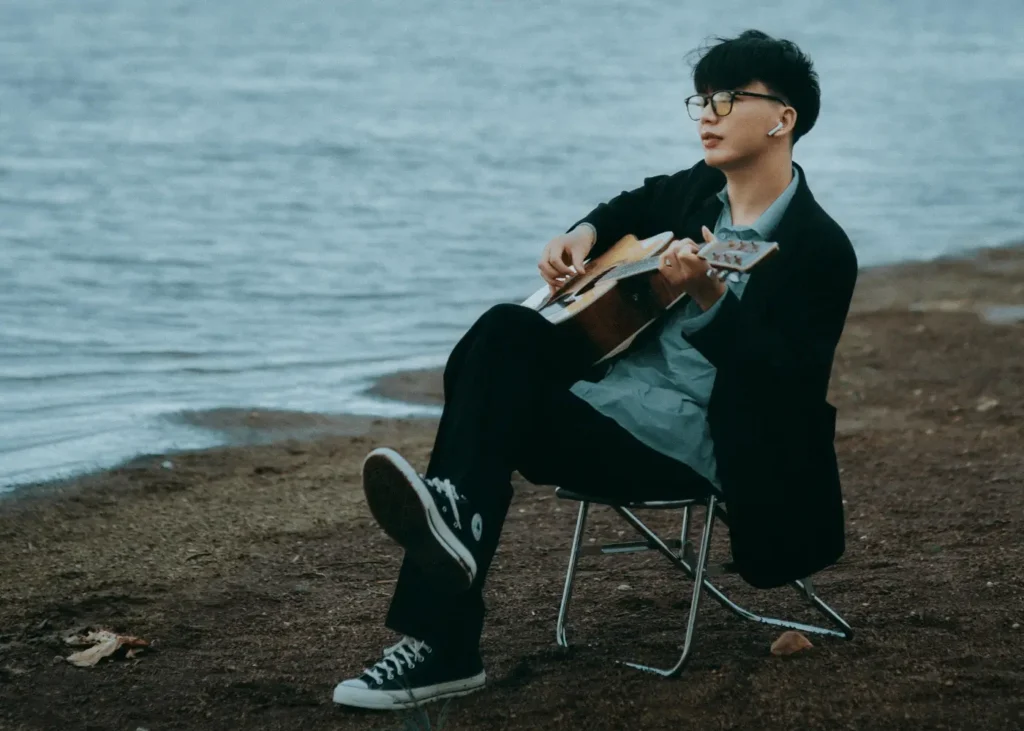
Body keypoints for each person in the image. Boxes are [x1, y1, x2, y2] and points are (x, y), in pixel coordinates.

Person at [333, 29, 858, 710]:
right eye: (700, 100)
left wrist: (709, 298)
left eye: (727, 99)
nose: (706, 114)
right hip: (611, 402)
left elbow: (783, 390)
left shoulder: (819, 249)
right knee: (504, 330)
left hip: (692, 448)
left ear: (783, 118)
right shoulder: (701, 192)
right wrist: (580, 235)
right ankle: (452, 535)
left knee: (489, 404)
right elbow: (628, 207)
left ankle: (442, 639)